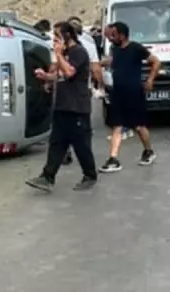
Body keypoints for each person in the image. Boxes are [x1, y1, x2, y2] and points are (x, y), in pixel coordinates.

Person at [26, 22, 97, 192]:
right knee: (57, 143)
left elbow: (69, 73)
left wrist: (58, 54)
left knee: (81, 144)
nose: (54, 41)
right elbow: (58, 76)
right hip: (62, 106)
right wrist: (46, 76)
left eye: (57, 37)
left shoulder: (79, 52)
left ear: (67, 36)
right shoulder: (64, 53)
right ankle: (47, 177)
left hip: (77, 108)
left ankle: (90, 175)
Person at [98, 21, 160, 172]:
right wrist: (98, 63)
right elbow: (112, 61)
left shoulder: (136, 48)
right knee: (117, 125)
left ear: (122, 35)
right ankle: (113, 159)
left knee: (139, 126)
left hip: (134, 93)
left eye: (113, 34)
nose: (111, 37)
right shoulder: (115, 49)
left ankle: (148, 151)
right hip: (118, 93)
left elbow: (156, 62)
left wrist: (150, 79)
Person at [56, 16, 103, 166]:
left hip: (78, 95)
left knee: (81, 134)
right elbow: (96, 68)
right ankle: (49, 172)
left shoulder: (81, 49)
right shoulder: (70, 48)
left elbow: (71, 71)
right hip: (68, 97)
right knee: (62, 134)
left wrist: (99, 86)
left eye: (58, 35)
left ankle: (88, 169)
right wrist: (99, 86)